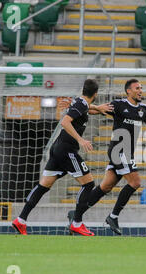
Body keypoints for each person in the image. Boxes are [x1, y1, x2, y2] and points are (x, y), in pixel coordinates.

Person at [67, 78, 146, 234]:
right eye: (137, 88)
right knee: (135, 182)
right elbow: (96, 110)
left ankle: (76, 214)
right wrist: (75, 107)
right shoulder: (118, 105)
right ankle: (113, 216)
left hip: (127, 153)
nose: (140, 90)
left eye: (141, 88)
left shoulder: (144, 109)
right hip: (118, 150)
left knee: (105, 187)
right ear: (128, 91)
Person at [12, 79, 113, 236]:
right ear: (96, 94)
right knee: (88, 184)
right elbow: (66, 122)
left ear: (83, 90)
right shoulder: (80, 104)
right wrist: (81, 140)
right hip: (67, 150)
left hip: (57, 150)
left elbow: (85, 109)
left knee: (43, 186)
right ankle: (77, 223)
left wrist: (97, 108)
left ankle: (21, 220)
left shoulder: (80, 102)